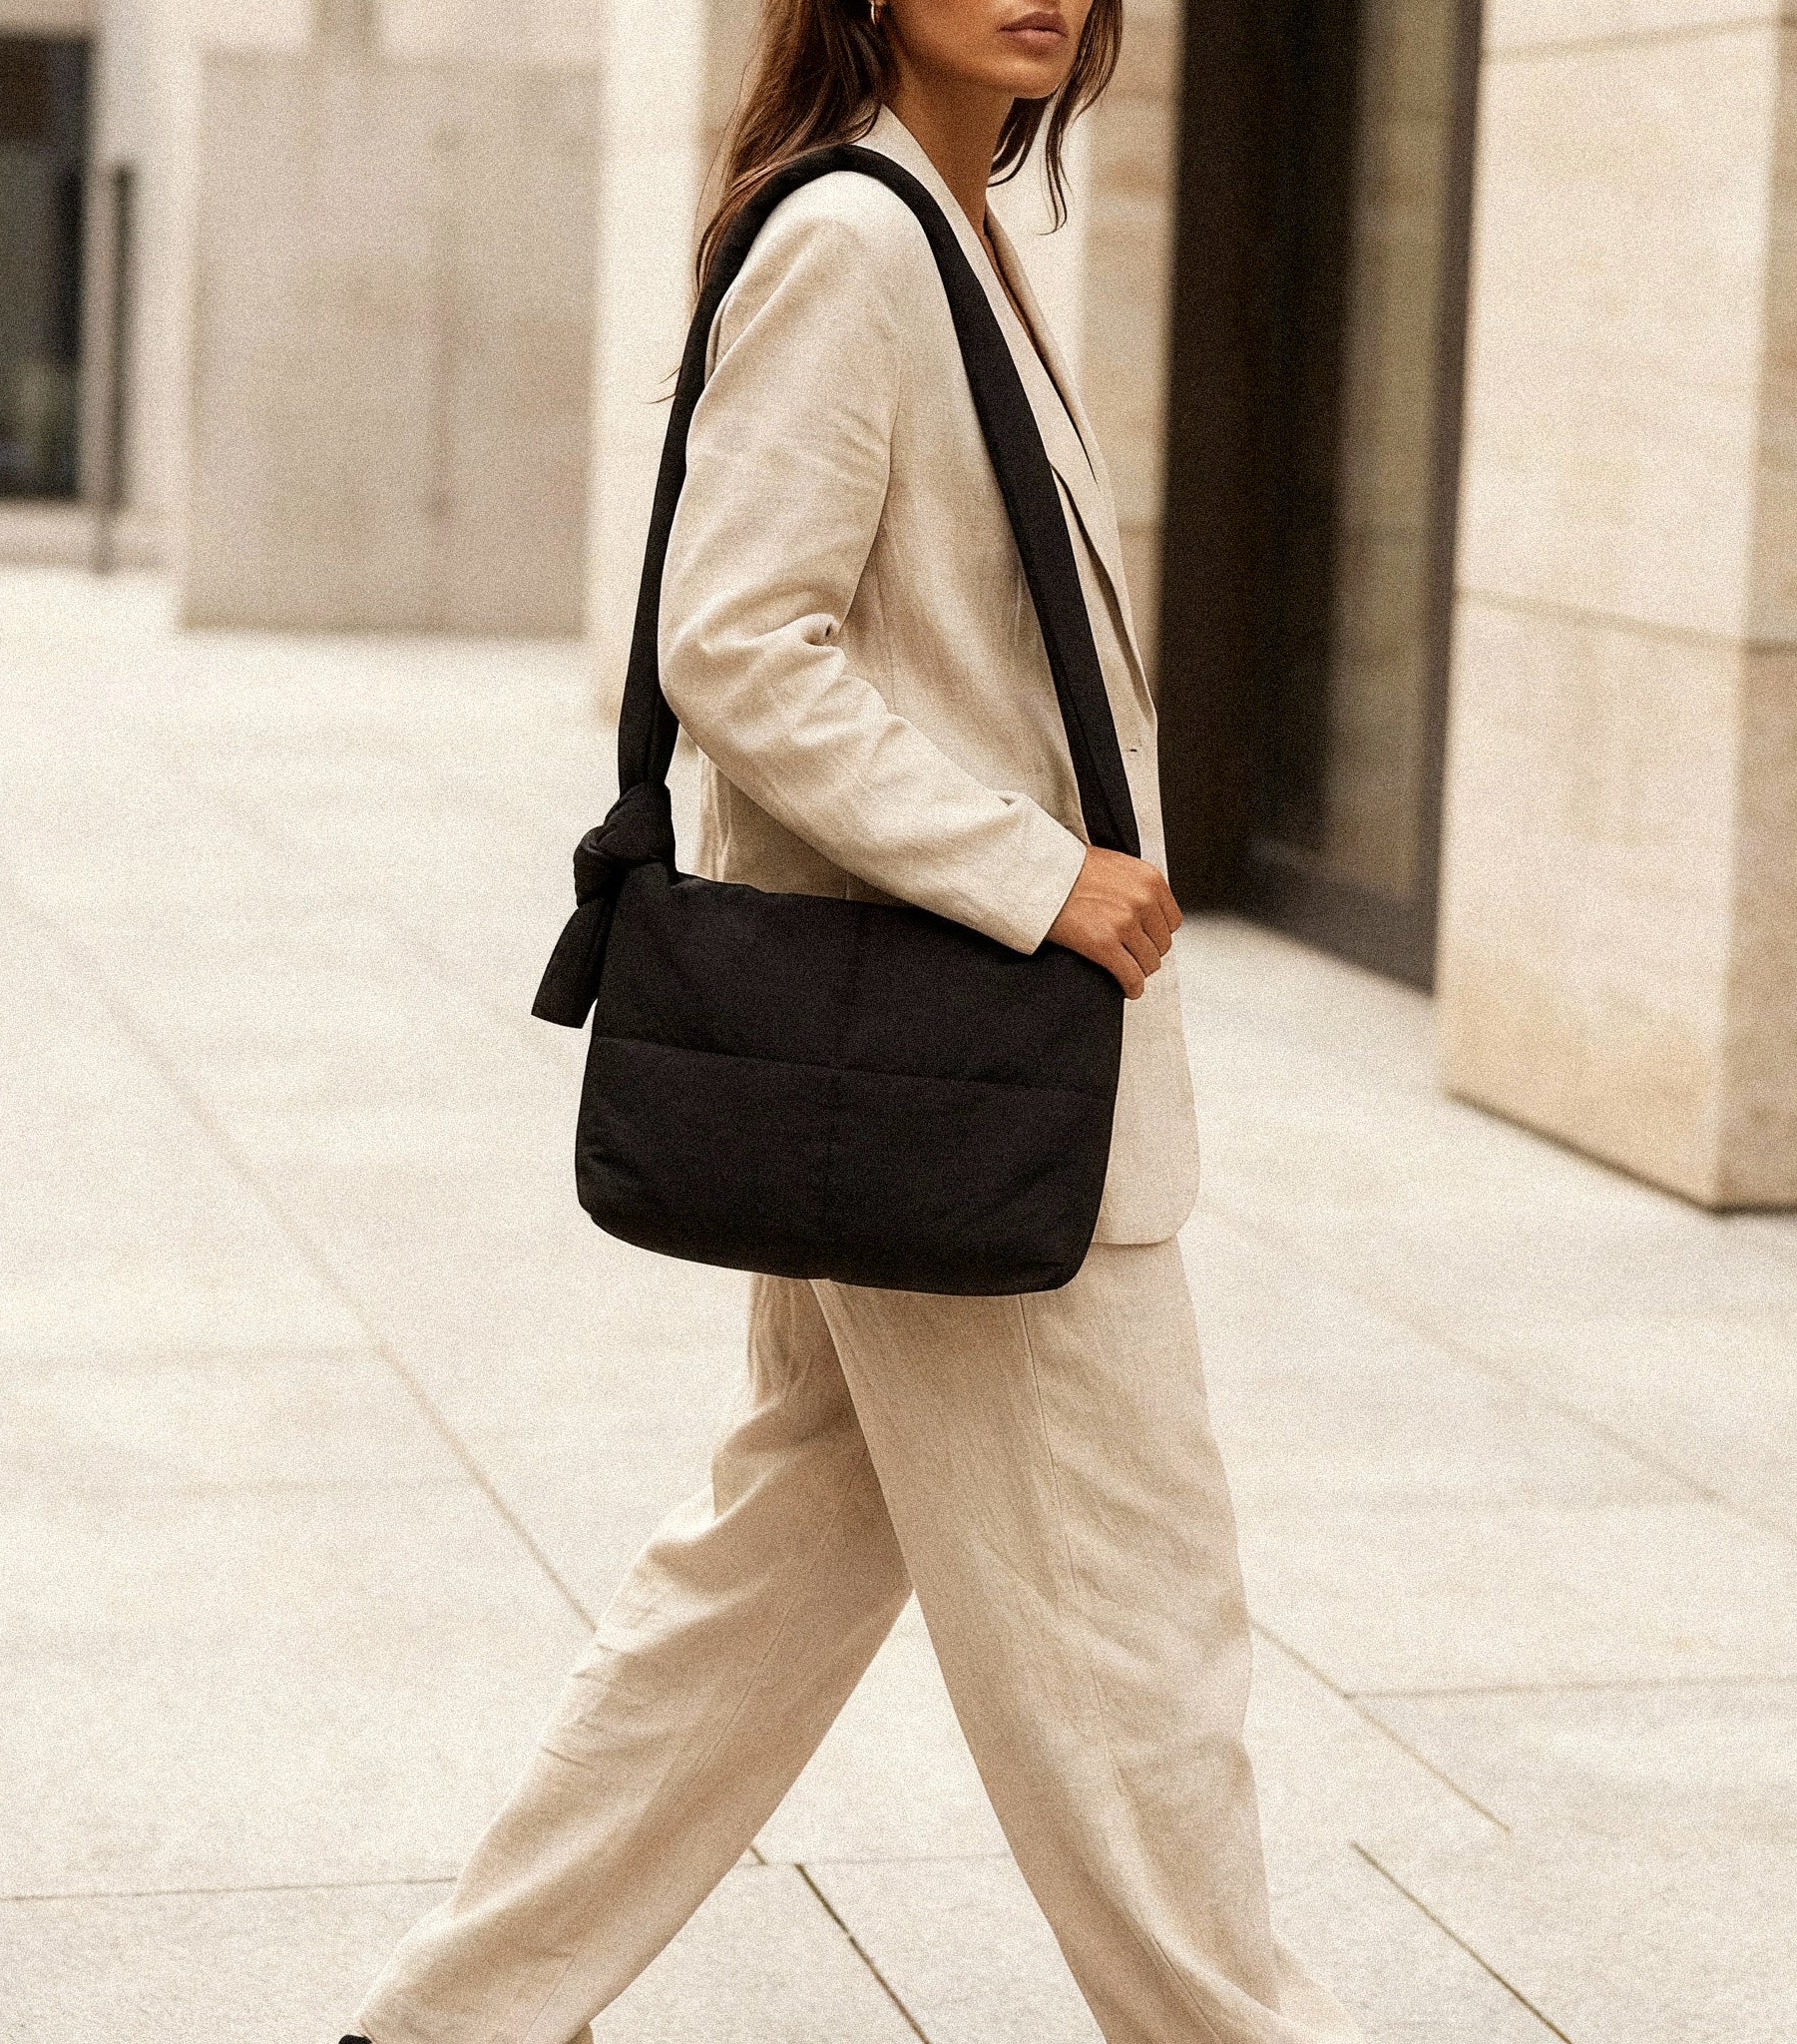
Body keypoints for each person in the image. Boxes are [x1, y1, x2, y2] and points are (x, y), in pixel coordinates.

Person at [343, 1, 1365, 2039]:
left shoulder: (948, 225)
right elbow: (735, 641)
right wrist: (1034, 871)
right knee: (1139, 1652)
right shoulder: (859, 234)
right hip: (964, 1061)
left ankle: (438, 2027)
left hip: (920, 1075)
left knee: (761, 1586)